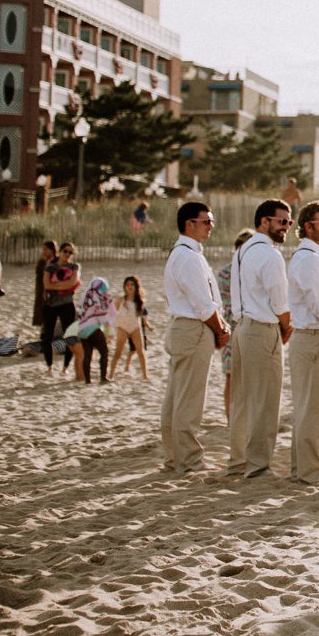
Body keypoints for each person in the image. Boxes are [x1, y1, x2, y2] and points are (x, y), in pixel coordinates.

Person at [160, 202, 229, 474]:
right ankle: (188, 460)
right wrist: (220, 329)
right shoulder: (187, 256)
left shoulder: (187, 253)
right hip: (193, 327)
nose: (211, 226)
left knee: (177, 395)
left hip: (186, 327)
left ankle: (174, 457)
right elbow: (203, 303)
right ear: (190, 223)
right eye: (207, 221)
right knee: (188, 398)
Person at [228, 201, 293, 476]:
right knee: (265, 400)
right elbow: (280, 301)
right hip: (262, 328)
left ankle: (238, 460)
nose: (286, 228)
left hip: (241, 327)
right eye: (282, 222)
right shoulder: (270, 254)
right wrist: (287, 326)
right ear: (264, 221)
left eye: (289, 223)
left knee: (242, 399)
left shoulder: (242, 251)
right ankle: (258, 465)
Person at [286, 200, 319, 487]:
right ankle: (310, 471)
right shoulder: (309, 259)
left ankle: (300, 468)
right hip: (314, 336)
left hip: (310, 336)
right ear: (309, 226)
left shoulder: (312, 257)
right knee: (314, 409)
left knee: (307, 407)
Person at [214, 229, 252, 416]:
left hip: (230, 327)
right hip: (241, 327)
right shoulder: (234, 272)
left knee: (232, 377)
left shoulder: (225, 272)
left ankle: (232, 419)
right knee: (236, 378)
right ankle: (235, 418)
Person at [65, 277, 116, 384]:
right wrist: (107, 324)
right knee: (104, 351)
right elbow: (100, 315)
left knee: (87, 355)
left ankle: (88, 381)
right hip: (92, 327)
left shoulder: (86, 296)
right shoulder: (96, 298)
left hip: (81, 329)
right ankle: (103, 377)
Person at [41, 242, 82, 375]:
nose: (68, 254)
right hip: (50, 304)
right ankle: (49, 366)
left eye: (71, 252)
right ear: (59, 252)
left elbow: (73, 282)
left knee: (70, 336)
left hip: (67, 305)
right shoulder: (50, 267)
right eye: (65, 251)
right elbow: (46, 285)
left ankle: (65, 367)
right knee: (47, 337)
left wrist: (56, 286)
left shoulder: (74, 266)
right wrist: (64, 286)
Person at [110, 277, 152, 380]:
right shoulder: (120, 300)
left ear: (136, 286)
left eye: (132, 284)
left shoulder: (139, 301)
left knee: (140, 352)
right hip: (122, 327)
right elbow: (111, 313)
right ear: (124, 287)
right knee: (118, 352)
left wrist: (147, 325)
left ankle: (145, 375)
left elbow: (143, 316)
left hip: (135, 327)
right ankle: (110, 374)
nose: (130, 287)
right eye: (128, 284)